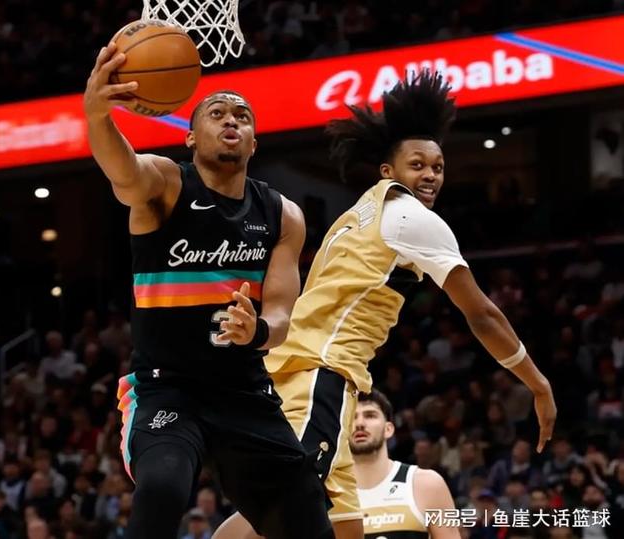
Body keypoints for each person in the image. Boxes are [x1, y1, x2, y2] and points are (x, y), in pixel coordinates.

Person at [214, 71, 556, 539]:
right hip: (318, 374)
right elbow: (481, 314)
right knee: (279, 508)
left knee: (345, 529)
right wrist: (538, 384)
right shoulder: (410, 216)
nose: (430, 175)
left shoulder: (356, 215)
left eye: (438, 166)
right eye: (417, 165)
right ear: (388, 172)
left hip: (309, 373)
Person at [83, 41, 334, 539]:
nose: (231, 120)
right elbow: (123, 170)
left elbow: (282, 316)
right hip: (167, 386)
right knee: (162, 489)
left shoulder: (283, 215)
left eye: (242, 116)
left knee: (308, 521)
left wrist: (257, 331)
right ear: (191, 138)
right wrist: (97, 117)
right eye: (216, 113)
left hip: (244, 391)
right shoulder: (164, 185)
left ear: (254, 143)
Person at [351, 390, 460, 538]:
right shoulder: (328, 492)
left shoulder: (427, 484)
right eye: (352, 417)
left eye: (370, 415)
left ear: (388, 429)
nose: (360, 424)